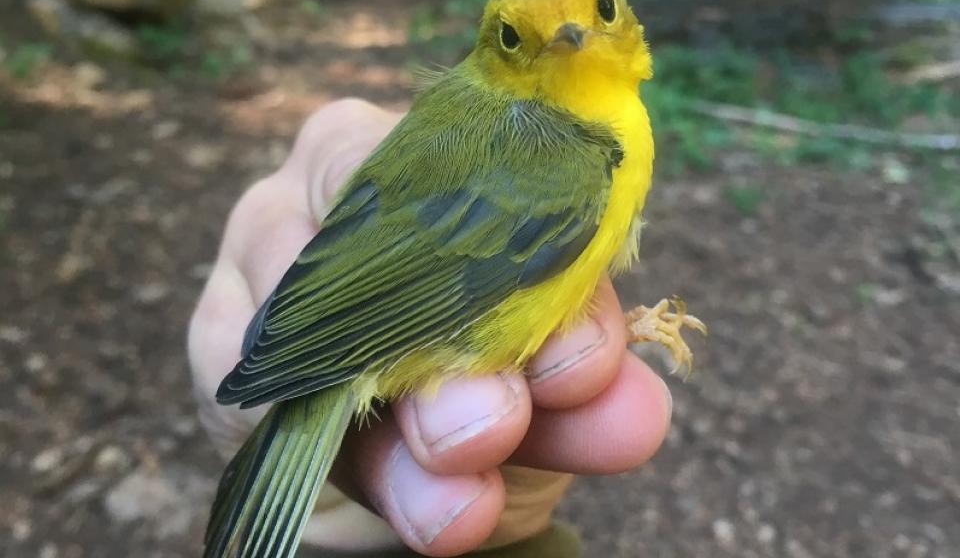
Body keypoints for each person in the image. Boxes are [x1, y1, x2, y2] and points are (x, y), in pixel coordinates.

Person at [188, 99, 673, 557]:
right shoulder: (574, 159)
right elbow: (456, 292)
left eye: (604, 10)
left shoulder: (569, 144)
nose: (571, 38)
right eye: (513, 37)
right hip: (377, 336)